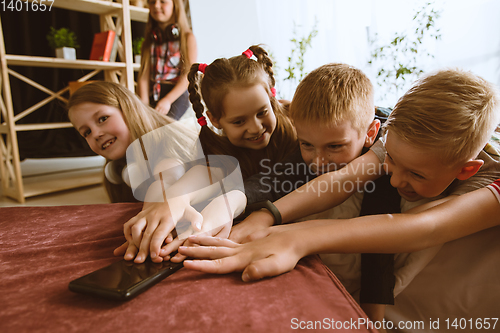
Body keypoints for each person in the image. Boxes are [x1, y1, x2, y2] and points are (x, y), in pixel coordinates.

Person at [177, 68, 500, 316]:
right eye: (391, 161)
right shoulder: (397, 139)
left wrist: (297, 237)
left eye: (415, 174)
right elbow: (341, 179)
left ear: (465, 170)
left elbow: (426, 227)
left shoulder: (491, 178)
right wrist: (266, 214)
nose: (394, 178)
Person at [114, 45, 298, 263]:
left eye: (262, 112)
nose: (256, 127)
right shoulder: (215, 145)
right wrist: (174, 198)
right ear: (215, 119)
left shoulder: (297, 122)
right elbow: (207, 172)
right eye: (239, 121)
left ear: (271, 96)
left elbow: (284, 176)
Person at [67, 81, 246, 248]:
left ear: (128, 108)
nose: (96, 133)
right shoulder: (122, 168)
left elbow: (169, 173)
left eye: (102, 118)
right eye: (86, 132)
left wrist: (157, 202)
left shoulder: (169, 139)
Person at [137, 0, 197, 119]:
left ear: (175, 5)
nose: (156, 6)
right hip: (154, 94)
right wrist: (143, 106)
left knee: (164, 131)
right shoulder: (149, 42)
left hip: (176, 96)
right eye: (152, 2)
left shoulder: (187, 38)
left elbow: (188, 75)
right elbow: (143, 76)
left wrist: (167, 100)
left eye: (163, 2)